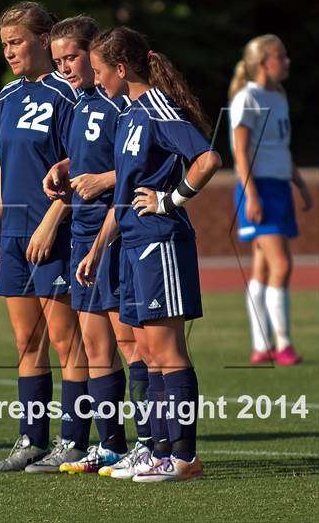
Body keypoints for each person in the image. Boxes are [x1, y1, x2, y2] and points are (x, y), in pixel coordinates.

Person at [76, 26, 222, 482]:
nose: (97, 80)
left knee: (167, 351)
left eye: (100, 71)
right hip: (133, 245)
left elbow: (207, 159)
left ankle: (184, 459)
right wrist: (100, 248)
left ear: (121, 68)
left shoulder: (157, 106)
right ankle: (160, 450)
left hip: (161, 241)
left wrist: (171, 199)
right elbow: (124, 193)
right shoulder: (127, 114)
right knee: (148, 351)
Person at [0, 1, 90, 473]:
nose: (8, 51)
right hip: (14, 236)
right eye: (4, 44)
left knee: (68, 341)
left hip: (56, 233)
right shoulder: (8, 96)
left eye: (17, 41)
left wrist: (51, 220)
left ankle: (76, 441)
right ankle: (31, 440)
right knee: (27, 342)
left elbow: (81, 167)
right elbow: (7, 164)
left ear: (44, 39)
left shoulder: (70, 97)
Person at [41, 16, 152, 475]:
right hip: (82, 230)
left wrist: (104, 179)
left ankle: (151, 444)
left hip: (114, 230)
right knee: (92, 341)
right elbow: (88, 154)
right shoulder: (81, 102)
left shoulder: (119, 105)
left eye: (71, 57)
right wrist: (64, 168)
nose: (64, 67)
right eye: (58, 60)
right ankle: (110, 445)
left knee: (129, 341)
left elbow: (136, 164)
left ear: (95, 54)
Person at [229, 34, 313, 366]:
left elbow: (280, 148)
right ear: (265, 62)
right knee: (282, 265)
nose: (287, 61)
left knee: (264, 269)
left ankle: (261, 347)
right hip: (259, 188)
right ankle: (283, 344)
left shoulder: (278, 97)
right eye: (282, 56)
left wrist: (299, 184)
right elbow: (240, 153)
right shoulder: (246, 99)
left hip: (278, 187)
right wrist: (251, 195)